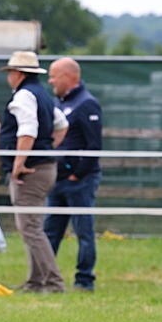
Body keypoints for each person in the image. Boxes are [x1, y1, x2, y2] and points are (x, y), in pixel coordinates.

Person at [0, 51, 68, 293]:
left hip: (31, 171)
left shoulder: (24, 95)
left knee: (30, 228)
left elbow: (28, 129)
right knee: (33, 227)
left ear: (17, 74)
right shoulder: (43, 95)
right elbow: (61, 125)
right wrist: (46, 149)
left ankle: (53, 282)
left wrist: (20, 162)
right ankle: (36, 281)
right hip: (44, 167)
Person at [44, 57, 104, 291]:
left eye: (53, 76)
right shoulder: (57, 103)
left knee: (84, 232)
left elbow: (94, 146)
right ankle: (46, 279)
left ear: (69, 77)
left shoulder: (87, 103)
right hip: (57, 179)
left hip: (80, 181)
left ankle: (84, 280)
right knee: (50, 232)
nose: (50, 81)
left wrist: (77, 175)